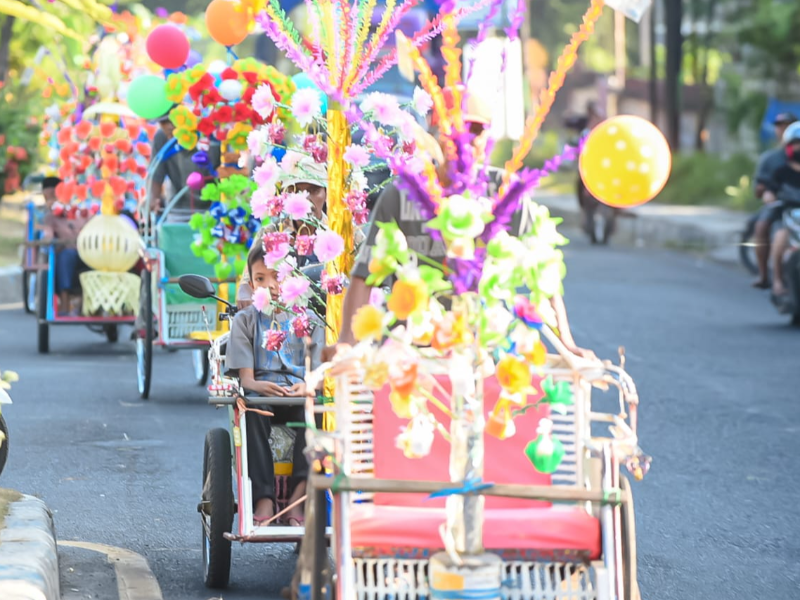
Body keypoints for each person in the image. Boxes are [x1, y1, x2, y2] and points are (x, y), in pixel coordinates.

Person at [331, 90, 596, 359]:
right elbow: (365, 275)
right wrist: (346, 344)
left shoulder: (505, 191)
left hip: (488, 351)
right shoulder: (402, 194)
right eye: (453, 129)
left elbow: (543, 272)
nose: (464, 140)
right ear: (434, 132)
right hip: (414, 350)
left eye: (475, 130)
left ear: (487, 138)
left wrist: (567, 344)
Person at [226, 242, 325, 526]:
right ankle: (264, 498)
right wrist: (257, 386)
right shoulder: (244, 321)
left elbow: (317, 375)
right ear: (251, 281)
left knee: (315, 413)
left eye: (277, 277)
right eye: (260, 279)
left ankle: (298, 498)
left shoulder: (310, 320)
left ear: (292, 276)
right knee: (253, 409)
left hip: (298, 395)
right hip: (263, 395)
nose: (270, 286)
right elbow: (246, 379)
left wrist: (307, 387)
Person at [237, 154, 328, 309]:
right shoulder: (270, 234)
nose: (305, 198)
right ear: (284, 196)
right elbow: (248, 283)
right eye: (296, 191)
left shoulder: (342, 233)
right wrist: (246, 294)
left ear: (326, 193)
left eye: (313, 190)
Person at [751, 112, 797, 289]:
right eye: (780, 125)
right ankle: (767, 277)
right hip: (782, 207)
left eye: (788, 125)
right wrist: (768, 193)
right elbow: (763, 187)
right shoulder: (772, 161)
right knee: (766, 229)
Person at [149, 112, 221, 223]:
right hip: (177, 210)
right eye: (164, 122)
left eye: (174, 120)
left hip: (213, 209)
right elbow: (156, 175)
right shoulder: (161, 138)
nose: (169, 126)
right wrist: (153, 198)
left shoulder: (208, 134)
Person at [41, 176, 89, 315]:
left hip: (88, 251)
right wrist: (48, 239)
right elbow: (48, 233)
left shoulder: (83, 212)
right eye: (47, 197)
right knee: (66, 256)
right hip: (66, 252)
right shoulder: (50, 217)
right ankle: (64, 299)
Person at [764, 122, 800, 300]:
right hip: (787, 217)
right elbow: (770, 190)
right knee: (780, 239)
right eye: (796, 143)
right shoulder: (781, 171)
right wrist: (769, 197)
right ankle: (777, 281)